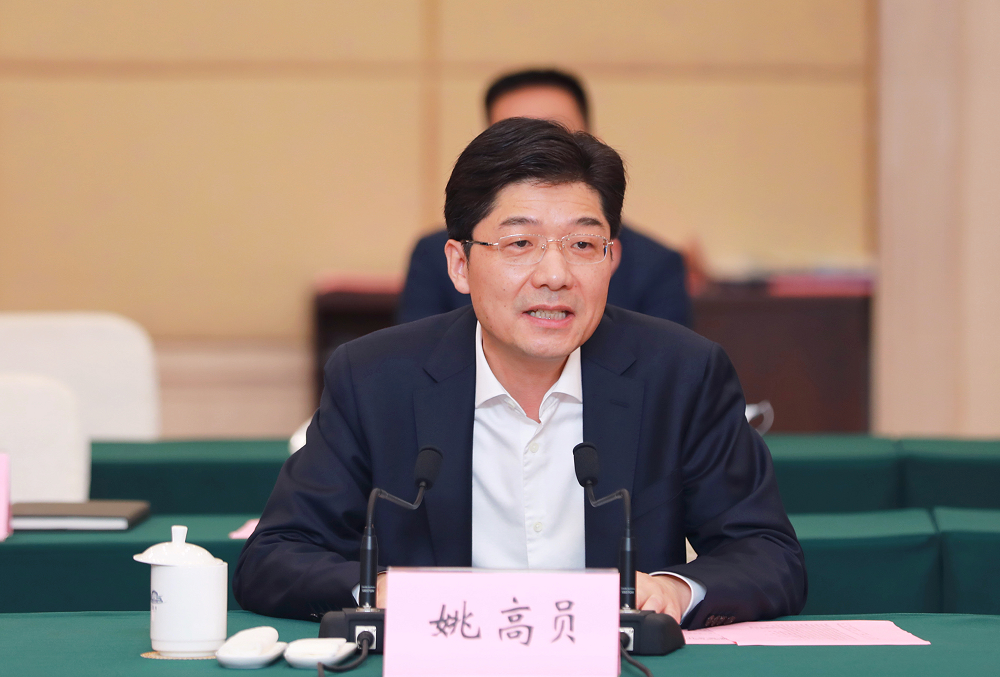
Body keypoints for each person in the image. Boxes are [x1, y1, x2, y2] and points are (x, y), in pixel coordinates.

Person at [233, 118, 806, 629]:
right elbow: (276, 556)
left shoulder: (682, 375)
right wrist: (382, 591)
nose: (555, 274)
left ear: (611, 260)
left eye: (583, 244)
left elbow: (767, 552)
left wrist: (677, 590)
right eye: (520, 243)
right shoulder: (376, 379)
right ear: (460, 264)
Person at [397, 68, 692, 327]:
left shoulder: (656, 263)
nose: (539, 150)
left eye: (581, 245)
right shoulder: (437, 254)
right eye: (519, 243)